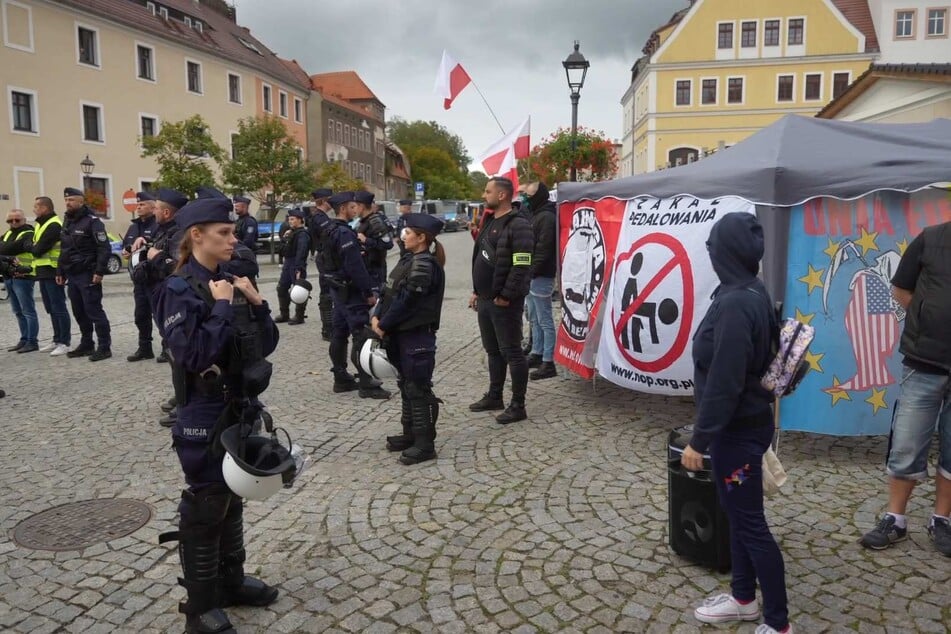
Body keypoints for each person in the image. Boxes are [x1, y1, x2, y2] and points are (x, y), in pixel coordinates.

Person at [153, 191, 280, 634]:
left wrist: (256, 304)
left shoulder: (229, 278)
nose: (233, 239)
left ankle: (230, 582)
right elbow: (194, 354)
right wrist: (223, 304)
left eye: (232, 231)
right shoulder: (178, 289)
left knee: (232, 497)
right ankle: (200, 607)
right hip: (203, 411)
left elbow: (263, 345)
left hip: (240, 404)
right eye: (223, 233)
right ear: (197, 236)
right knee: (207, 501)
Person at [682, 213, 790, 634]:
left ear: (723, 253)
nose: (709, 254)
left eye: (712, 248)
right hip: (747, 424)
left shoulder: (735, 303)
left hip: (737, 430)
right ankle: (744, 599)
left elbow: (726, 381)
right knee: (739, 514)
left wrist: (700, 440)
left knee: (750, 525)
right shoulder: (747, 289)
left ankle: (778, 623)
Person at [860, 220, 951, 556]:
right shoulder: (930, 239)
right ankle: (895, 518)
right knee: (907, 442)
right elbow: (901, 288)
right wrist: (929, 321)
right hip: (924, 361)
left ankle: (942, 520)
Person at [372, 213, 446, 464]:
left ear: (422, 237)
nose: (403, 237)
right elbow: (389, 291)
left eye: (408, 233)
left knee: (418, 388)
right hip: (400, 334)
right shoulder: (409, 260)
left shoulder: (424, 264)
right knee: (406, 384)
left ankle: (425, 444)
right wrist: (377, 316)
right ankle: (410, 434)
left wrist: (383, 324)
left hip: (416, 335)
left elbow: (409, 301)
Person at [468, 177, 534, 424]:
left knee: (512, 352)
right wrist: (476, 290)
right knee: (493, 351)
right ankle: (495, 395)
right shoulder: (490, 220)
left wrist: (506, 295)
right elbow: (482, 257)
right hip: (485, 299)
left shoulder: (520, 225)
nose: (485, 195)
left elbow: (522, 264)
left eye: (488, 191)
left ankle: (518, 405)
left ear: (503, 195)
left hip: (504, 301)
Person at [323, 192, 389, 399]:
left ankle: (341, 378)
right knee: (361, 334)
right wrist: (367, 292)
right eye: (352, 207)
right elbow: (355, 267)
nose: (355, 210)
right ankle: (366, 382)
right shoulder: (344, 233)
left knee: (339, 333)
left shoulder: (329, 229)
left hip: (338, 289)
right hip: (351, 292)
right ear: (343, 208)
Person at [57, 187, 112, 361]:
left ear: (81, 202)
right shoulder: (68, 221)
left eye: (71, 200)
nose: (68, 203)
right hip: (72, 275)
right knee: (79, 311)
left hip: (88, 273)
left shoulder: (93, 222)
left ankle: (104, 346)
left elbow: (104, 247)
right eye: (66, 200)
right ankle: (87, 343)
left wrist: (99, 271)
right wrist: (60, 270)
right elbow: (64, 249)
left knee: (94, 310)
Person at [524, 182, 558, 380]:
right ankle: (536, 353)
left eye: (529, 196)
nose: (526, 199)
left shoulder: (546, 217)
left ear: (539, 196)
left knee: (544, 319)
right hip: (532, 274)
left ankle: (548, 361)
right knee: (534, 318)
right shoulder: (536, 214)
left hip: (541, 274)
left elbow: (543, 248)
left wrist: (532, 271)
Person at [30, 197, 70, 356]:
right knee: (51, 308)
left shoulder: (53, 225)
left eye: (36, 206)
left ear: (44, 208)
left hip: (53, 271)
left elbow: (37, 249)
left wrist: (31, 247)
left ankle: (65, 342)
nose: (34, 209)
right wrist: (32, 246)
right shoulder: (41, 224)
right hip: (43, 272)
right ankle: (56, 339)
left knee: (59, 307)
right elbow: (34, 247)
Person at [122, 192, 158, 361]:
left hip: (155, 278)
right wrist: (127, 250)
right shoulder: (134, 226)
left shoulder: (158, 224)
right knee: (141, 315)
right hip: (139, 279)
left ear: (153, 207)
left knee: (159, 314)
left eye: (142, 204)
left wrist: (146, 242)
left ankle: (168, 348)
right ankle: (145, 348)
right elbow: (127, 246)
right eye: (137, 205)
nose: (138, 207)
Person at [1, 209, 38, 353]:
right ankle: (24, 339)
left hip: (24, 276)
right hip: (9, 276)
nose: (14, 223)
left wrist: (5, 248)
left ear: (24, 220)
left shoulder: (28, 233)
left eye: (17, 220)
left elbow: (10, 247)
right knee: (17, 311)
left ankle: (32, 341)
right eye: (10, 221)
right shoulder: (9, 233)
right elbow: (6, 248)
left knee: (28, 310)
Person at [275, 208, 310, 325]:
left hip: (296, 263)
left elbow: (302, 251)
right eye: (289, 219)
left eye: (292, 219)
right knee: (282, 287)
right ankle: (284, 314)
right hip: (288, 263)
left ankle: (299, 316)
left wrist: (299, 267)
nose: (290, 221)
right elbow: (281, 250)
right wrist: (284, 239)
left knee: (299, 290)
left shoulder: (303, 234)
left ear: (300, 220)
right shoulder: (290, 233)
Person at [353, 191, 394, 290]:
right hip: (366, 268)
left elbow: (388, 244)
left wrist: (366, 240)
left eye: (355, 206)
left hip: (376, 270)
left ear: (361, 206)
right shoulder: (363, 221)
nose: (354, 209)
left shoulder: (375, 222)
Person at [310, 188, 335, 341]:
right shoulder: (320, 218)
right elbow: (331, 234)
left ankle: (329, 327)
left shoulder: (321, 216)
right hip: (325, 257)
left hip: (325, 256)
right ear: (324, 201)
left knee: (328, 291)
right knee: (327, 293)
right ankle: (327, 329)